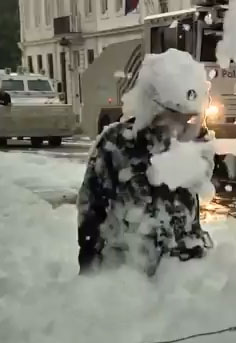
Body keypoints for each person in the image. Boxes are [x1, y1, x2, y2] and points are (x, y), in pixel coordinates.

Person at [77, 49, 213, 276]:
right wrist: (90, 271)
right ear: (153, 109)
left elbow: (190, 215)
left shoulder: (193, 143)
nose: (183, 126)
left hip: (177, 276)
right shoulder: (116, 145)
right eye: (175, 117)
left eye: (189, 118)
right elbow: (91, 210)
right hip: (128, 278)